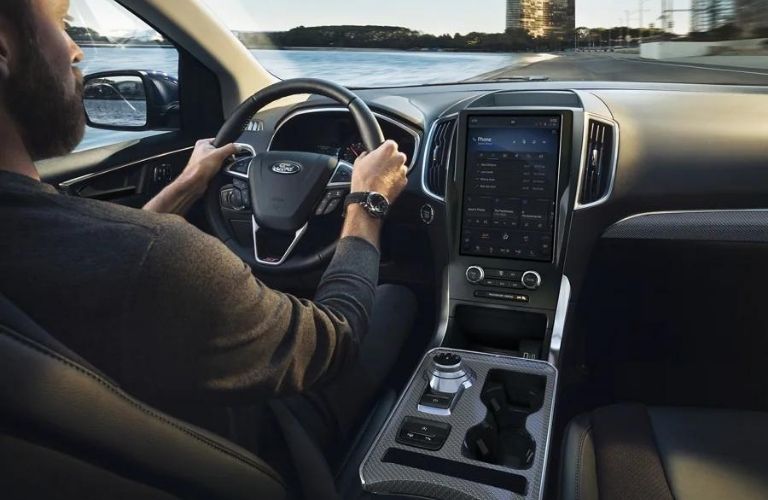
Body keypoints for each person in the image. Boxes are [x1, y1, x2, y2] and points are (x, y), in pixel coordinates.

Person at [0, 0, 415, 481]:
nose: (76, 51)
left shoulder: (70, 244)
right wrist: (366, 203)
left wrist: (186, 186)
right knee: (396, 298)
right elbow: (334, 338)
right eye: (62, 24)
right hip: (254, 450)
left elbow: (95, 253)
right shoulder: (161, 259)